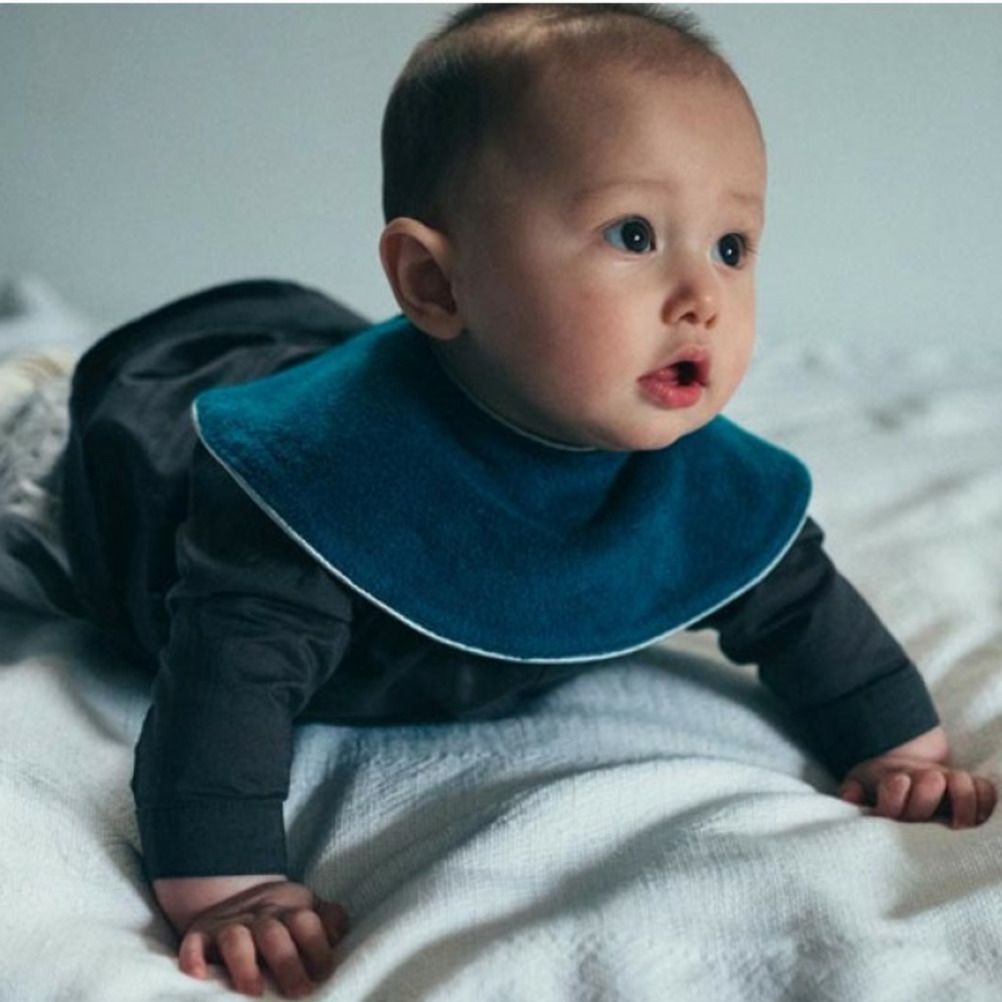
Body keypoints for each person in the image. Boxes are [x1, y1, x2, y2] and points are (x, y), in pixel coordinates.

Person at [58, 4, 997, 998]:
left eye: (732, 246)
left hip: (444, 374)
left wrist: (899, 749)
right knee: (110, 466)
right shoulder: (312, 482)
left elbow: (799, 600)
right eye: (634, 234)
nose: (703, 297)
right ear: (435, 281)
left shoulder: (693, 472)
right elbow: (227, 686)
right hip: (161, 497)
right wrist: (231, 887)